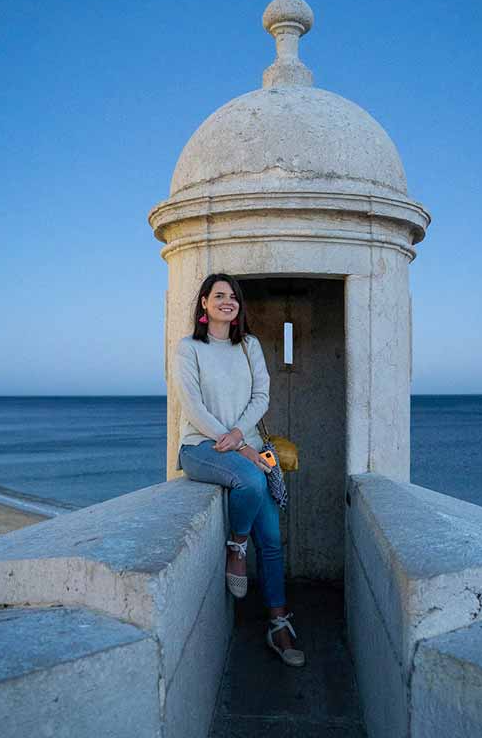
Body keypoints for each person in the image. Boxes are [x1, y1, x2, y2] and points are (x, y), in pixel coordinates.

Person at [172, 272, 305, 668]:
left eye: (233, 296)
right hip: (201, 446)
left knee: (273, 538)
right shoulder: (188, 348)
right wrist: (232, 441)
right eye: (219, 295)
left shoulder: (250, 346)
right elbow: (192, 405)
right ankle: (236, 547)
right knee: (250, 478)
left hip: (245, 445)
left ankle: (278, 623)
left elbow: (261, 396)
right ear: (204, 303)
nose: (227, 301)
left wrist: (239, 436)